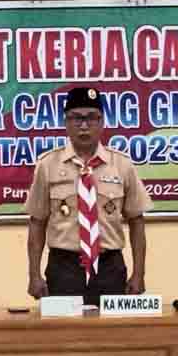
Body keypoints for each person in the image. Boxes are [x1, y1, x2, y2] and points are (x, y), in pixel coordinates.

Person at [25, 86, 152, 305]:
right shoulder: (47, 165)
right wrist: (34, 275)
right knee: (64, 327)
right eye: (76, 118)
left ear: (102, 122)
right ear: (66, 122)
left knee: (112, 327)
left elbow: (137, 222)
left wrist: (139, 274)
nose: (84, 125)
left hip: (109, 267)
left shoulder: (122, 165)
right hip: (63, 267)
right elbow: (37, 223)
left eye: (91, 118)